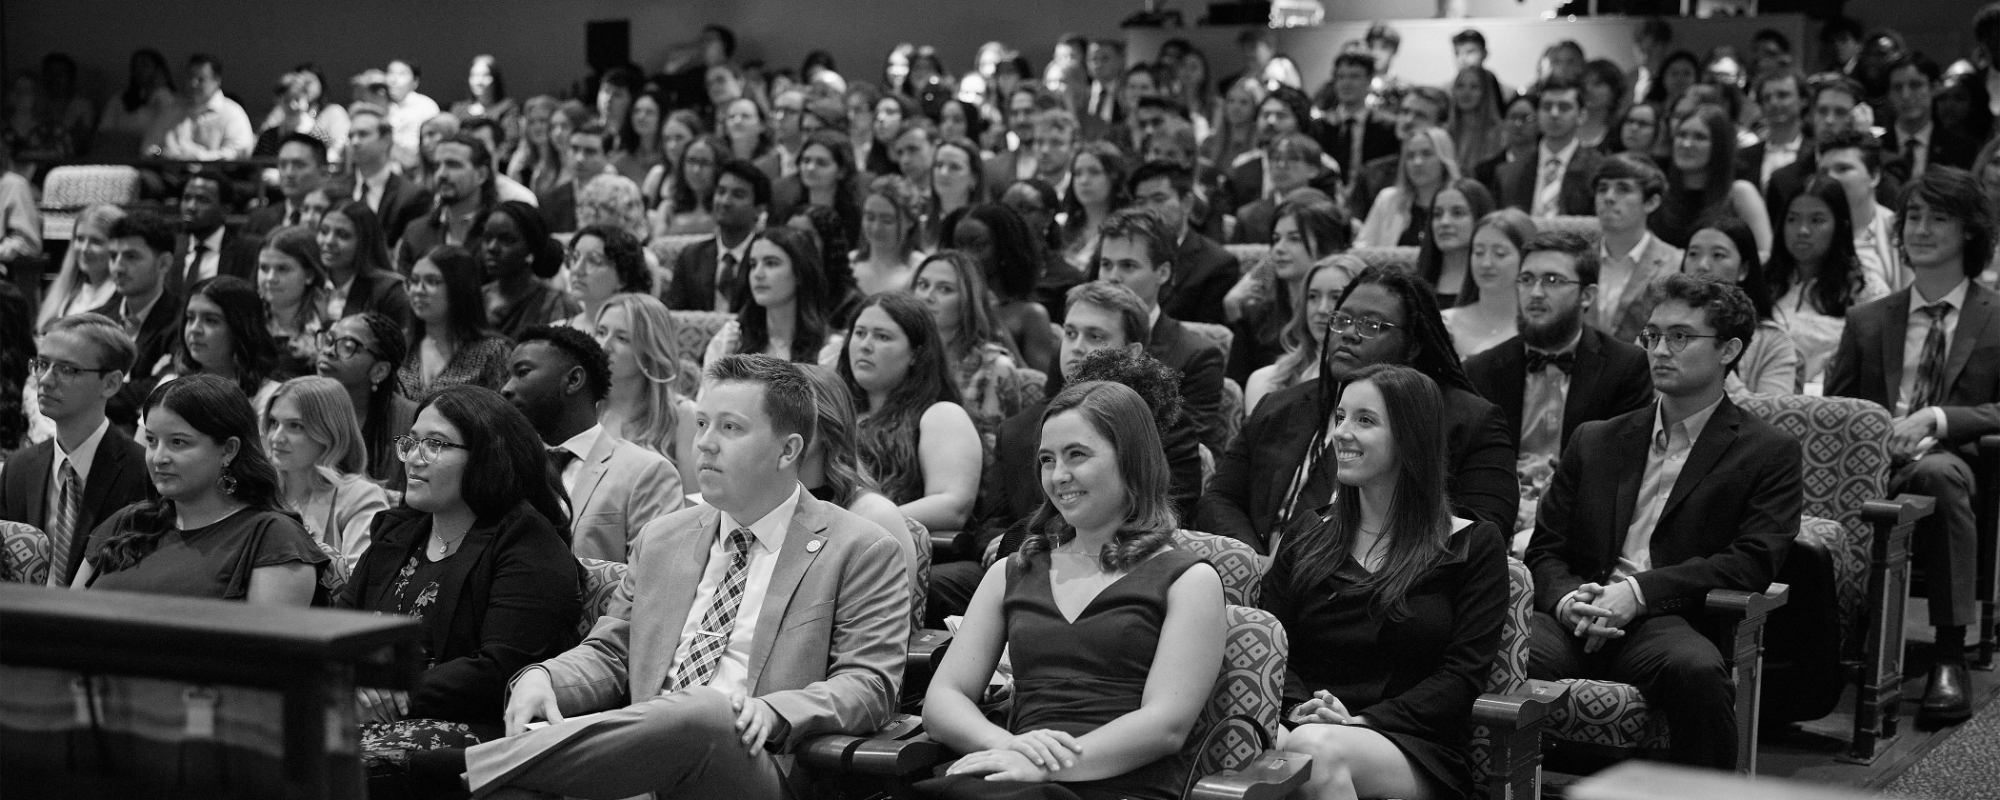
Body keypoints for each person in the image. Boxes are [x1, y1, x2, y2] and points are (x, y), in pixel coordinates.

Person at [402, 355, 909, 800]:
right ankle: (483, 773)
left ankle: (458, 768)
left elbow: (869, 683)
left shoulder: (859, 548)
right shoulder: (663, 538)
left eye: (730, 429)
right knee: (515, 789)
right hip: (641, 761)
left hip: (761, 766)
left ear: (788, 450)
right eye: (704, 423)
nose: (705, 444)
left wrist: (778, 711)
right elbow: (612, 652)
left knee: (709, 712)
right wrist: (545, 675)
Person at [1526, 273, 1803, 770]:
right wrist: (1570, 602)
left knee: (1695, 671)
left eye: (1680, 337)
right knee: (1488, 649)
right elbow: (1544, 549)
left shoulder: (1767, 452)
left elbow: (1752, 562)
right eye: (1652, 336)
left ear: (1728, 350)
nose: (1659, 350)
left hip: (1666, 618)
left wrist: (1636, 595)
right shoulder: (1598, 438)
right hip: (1579, 612)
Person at [920, 380, 1224, 800]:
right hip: (1014, 777)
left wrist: (1043, 767)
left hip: (1121, 785)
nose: (1058, 476)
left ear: (1131, 461)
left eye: (1076, 455)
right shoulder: (1013, 571)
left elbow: (1166, 726)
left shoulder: (1189, 580)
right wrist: (1009, 748)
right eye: (1047, 460)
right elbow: (943, 701)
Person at [1264, 364, 1508, 800]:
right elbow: (1271, 642)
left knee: (1308, 753)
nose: (1341, 432)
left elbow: (1463, 676)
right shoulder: (1308, 533)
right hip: (1303, 726)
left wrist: (1362, 722)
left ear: (1411, 438)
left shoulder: (1472, 545)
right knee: (1300, 749)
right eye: (1340, 417)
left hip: (1412, 742)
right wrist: (1301, 709)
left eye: (1365, 420)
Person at [1827, 166, 2000, 728]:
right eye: (1913, 217)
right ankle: (1823, 643)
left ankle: (1949, 654)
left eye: (1939, 218)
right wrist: (1874, 438)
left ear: (1970, 231)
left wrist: (1938, 417)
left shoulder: (1995, 315)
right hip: (1872, 462)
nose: (1920, 230)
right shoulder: (1869, 318)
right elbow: (1836, 411)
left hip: (1954, 463)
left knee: (1940, 476)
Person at [338, 383, 583, 761]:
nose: (414, 459)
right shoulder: (398, 530)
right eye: (411, 442)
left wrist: (389, 687)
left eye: (435, 444)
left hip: (477, 729)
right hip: (368, 711)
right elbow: (337, 626)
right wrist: (353, 673)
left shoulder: (527, 541)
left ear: (488, 456)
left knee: (325, 757)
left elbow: (500, 668)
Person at [1198, 266, 1518, 553]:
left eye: (1372, 325)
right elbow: (1220, 498)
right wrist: (1257, 564)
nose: (1349, 333)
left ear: (1415, 344)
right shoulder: (1280, 406)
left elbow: (1482, 534)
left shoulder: (1470, 422)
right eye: (1343, 320)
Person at [1465, 231, 1655, 542]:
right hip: (1496, 517)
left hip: (1578, 520)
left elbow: (1621, 470)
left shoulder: (1626, 367)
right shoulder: (1481, 369)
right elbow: (1475, 470)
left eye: (1552, 281)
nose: (1535, 293)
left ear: (1587, 295)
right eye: (1526, 280)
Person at [73, 374, 326, 603]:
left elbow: (266, 650)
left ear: (228, 450)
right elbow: (65, 621)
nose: (158, 457)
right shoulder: (128, 522)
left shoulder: (273, 537)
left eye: (178, 442)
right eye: (151, 441)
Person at [501, 326, 682, 562]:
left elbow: (654, 575)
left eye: (522, 372)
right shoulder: (506, 465)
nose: (506, 388)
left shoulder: (646, 472)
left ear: (574, 380)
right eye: (508, 376)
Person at [1, 314, 152, 587]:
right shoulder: (19, 467)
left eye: (66, 369)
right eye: (42, 364)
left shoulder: (141, 471)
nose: (45, 380)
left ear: (111, 384)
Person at [1087, 209, 1228, 455]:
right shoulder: (1076, 343)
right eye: (1106, 265)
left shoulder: (1198, 357)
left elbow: (1193, 453)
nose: (1112, 278)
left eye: (1128, 266)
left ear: (1162, 273)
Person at [843, 292, 984, 533]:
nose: (865, 345)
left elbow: (952, 506)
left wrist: (851, 526)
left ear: (915, 354)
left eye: (882, 336)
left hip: (914, 555)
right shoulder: (835, 414)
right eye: (860, 333)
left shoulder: (941, 414)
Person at [795, 365, 923, 614]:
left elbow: (880, 633)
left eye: (788, 415)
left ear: (827, 425)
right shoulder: (750, 508)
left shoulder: (874, 516)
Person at [261, 376, 389, 584]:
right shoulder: (260, 489)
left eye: (295, 426)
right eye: (274, 423)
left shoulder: (359, 496)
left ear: (329, 432)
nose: (276, 438)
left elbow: (358, 585)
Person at [1768, 175, 1883, 389]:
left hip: (1832, 403)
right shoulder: (1763, 281)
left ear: (1840, 226)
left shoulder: (1865, 288)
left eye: (1816, 220)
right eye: (1792, 219)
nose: (1802, 231)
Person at [910, 251, 1033, 441]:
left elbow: (999, 450)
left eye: (944, 289)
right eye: (923, 285)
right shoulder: (903, 354)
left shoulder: (995, 367)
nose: (927, 296)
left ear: (968, 300)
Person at [1226, 198, 1350, 384]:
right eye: (1276, 239)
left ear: (1328, 247)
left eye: (1294, 239)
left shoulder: (1349, 316)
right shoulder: (1255, 317)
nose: (1279, 249)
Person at [592, 293, 701, 493]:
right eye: (600, 332)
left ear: (651, 348)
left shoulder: (684, 416)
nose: (604, 345)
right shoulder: (584, 408)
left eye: (622, 338)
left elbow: (695, 506)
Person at [937, 203, 1064, 373]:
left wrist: (994, 322)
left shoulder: (1030, 315)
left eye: (978, 246)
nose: (965, 256)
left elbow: (1037, 390)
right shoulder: (944, 306)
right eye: (958, 246)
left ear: (1004, 249)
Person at [1682, 217, 1799, 395]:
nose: (1702, 266)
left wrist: (1713, 358)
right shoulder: (1660, 330)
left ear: (1743, 269)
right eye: (1693, 254)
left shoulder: (1772, 341)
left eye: (1718, 255)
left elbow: (1772, 416)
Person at [91, 211, 183, 429]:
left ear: (164, 263)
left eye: (131, 257)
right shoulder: (97, 319)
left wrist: (93, 392)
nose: (117, 268)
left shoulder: (183, 322)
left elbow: (161, 393)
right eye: (113, 256)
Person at [704, 226, 844, 368]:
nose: (758, 274)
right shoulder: (731, 340)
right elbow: (707, 389)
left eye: (771, 263)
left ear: (800, 273)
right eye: (753, 265)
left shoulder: (829, 351)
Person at [1129, 161, 1240, 327]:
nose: (1148, 209)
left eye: (1159, 199)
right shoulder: (1118, 251)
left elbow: (1208, 338)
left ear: (1187, 203)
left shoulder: (1217, 264)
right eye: (1140, 202)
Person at [1653, 105, 1773, 255]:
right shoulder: (1660, 192)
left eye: (1699, 137)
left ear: (1719, 145)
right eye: (1681, 135)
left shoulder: (1740, 193)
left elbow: (1765, 254)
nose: (1686, 144)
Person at [1246, 256, 1360, 415]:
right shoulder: (1266, 381)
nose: (1321, 309)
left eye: (1336, 297)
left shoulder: (1372, 384)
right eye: (1313, 297)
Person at [1592, 154, 1687, 342]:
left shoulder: (1676, 264)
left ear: (1652, 202)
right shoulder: (1576, 259)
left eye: (1623, 189)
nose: (1609, 197)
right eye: (1602, 189)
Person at [315, 312, 415, 485]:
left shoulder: (411, 421)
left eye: (347, 346)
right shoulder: (303, 405)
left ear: (379, 370)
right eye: (329, 340)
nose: (328, 351)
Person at [400, 245, 511, 400]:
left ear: (459, 287)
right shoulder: (400, 343)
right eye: (414, 281)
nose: (418, 290)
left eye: (431, 281)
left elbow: (503, 416)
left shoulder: (492, 352)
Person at [667, 158, 770, 312]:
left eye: (738, 195)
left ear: (759, 209)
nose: (725, 201)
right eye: (721, 192)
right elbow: (674, 318)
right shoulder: (691, 257)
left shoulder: (767, 258)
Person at [165, 276, 281, 411]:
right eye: (190, 318)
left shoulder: (270, 397)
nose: (194, 329)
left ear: (240, 329)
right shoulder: (170, 386)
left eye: (211, 320)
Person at [1494, 77, 1602, 219]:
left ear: (1581, 116)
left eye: (1564, 107)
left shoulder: (1598, 169)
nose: (1554, 114)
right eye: (1546, 106)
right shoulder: (1508, 173)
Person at [1817, 130, 1906, 293]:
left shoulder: (1900, 231)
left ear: (1874, 176)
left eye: (1842, 169)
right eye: (1823, 172)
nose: (1830, 178)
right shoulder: (1807, 229)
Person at [475, 201, 579, 339]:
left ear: (531, 247)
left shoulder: (557, 305)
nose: (492, 248)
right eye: (487, 238)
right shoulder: (476, 298)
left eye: (506, 240)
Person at [397, 134, 500, 272]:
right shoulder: (416, 231)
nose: (441, 174)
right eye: (436, 166)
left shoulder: (500, 230)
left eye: (453, 165)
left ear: (481, 175)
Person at [1442, 209, 1534, 360]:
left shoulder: (1541, 327)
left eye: (1500, 254)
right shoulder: (1445, 325)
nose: (1486, 263)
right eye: (1478, 252)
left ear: (1527, 259)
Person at [317, 200, 413, 332]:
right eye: (324, 231)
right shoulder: (310, 282)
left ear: (365, 241)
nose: (328, 241)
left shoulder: (390, 291)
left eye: (343, 235)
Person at [1881, 54, 1978, 182]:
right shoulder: (1878, 147)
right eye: (1897, 88)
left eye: (1915, 85)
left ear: (1935, 88)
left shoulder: (1962, 148)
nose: (1905, 95)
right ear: (1889, 95)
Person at [1358, 127, 1460, 249]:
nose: (1417, 162)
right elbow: (1362, 248)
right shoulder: (1388, 199)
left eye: (1426, 154)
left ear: (1444, 160)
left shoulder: (1461, 203)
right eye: (1410, 156)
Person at [347, 105, 434, 244]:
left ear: (387, 139)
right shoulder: (334, 189)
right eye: (350, 136)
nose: (354, 142)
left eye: (363, 134)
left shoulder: (413, 196)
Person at [257, 226, 332, 380]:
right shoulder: (245, 323)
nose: (270, 278)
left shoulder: (329, 330)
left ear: (309, 275)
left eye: (282, 269)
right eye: (264, 268)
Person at [1313, 53, 1400, 187]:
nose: (1346, 83)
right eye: (1341, 77)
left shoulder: (1388, 127)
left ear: (1369, 80)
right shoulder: (1320, 127)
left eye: (1355, 77)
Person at [1413, 179, 1497, 308]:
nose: (1444, 222)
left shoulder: (1496, 279)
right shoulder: (1415, 284)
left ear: (1480, 218)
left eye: (1457, 213)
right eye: (1437, 214)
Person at [37, 204, 123, 329]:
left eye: (96, 241)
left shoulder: (124, 301)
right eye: (79, 239)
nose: (84, 249)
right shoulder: (66, 292)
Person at [155, 54, 254, 160]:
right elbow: (149, 148)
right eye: (189, 77)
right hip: (167, 174)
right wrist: (159, 153)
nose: (193, 84)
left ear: (217, 81)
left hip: (217, 175)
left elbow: (238, 154)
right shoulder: (171, 110)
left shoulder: (232, 112)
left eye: (201, 79)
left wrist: (199, 157)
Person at [173, 170, 254, 293]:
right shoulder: (171, 247)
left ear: (225, 210)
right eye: (187, 198)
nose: (191, 207)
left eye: (202, 200)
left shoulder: (246, 252)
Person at [561, 223, 652, 330]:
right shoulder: (555, 332)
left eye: (593, 261)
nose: (576, 269)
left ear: (623, 277)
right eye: (575, 257)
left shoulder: (644, 336)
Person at [245, 133, 330, 238]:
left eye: (299, 165)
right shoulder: (259, 220)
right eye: (283, 165)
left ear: (324, 173)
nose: (289, 173)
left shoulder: (335, 220)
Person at [1735, 69, 1808, 192]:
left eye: (1782, 95)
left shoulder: (1814, 154)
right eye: (1767, 98)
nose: (1773, 103)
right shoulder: (1742, 158)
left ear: (1803, 100)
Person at [853, 175, 926, 296]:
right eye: (870, 218)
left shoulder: (921, 269)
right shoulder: (850, 264)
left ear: (910, 221)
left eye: (887, 220)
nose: (876, 228)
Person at [537, 122, 616, 233]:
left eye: (590, 151)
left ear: (609, 156)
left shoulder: (623, 196)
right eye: (574, 149)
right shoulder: (550, 200)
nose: (579, 158)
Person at [1446, 65, 1507, 174]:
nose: (1466, 93)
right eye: (1460, 86)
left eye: (1474, 87)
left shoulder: (1499, 134)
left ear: (1485, 93)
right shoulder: (1446, 132)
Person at [384, 59, 441, 168]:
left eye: (402, 74)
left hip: (418, 166)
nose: (394, 79)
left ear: (415, 82)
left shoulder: (426, 106)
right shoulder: (381, 107)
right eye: (391, 73)